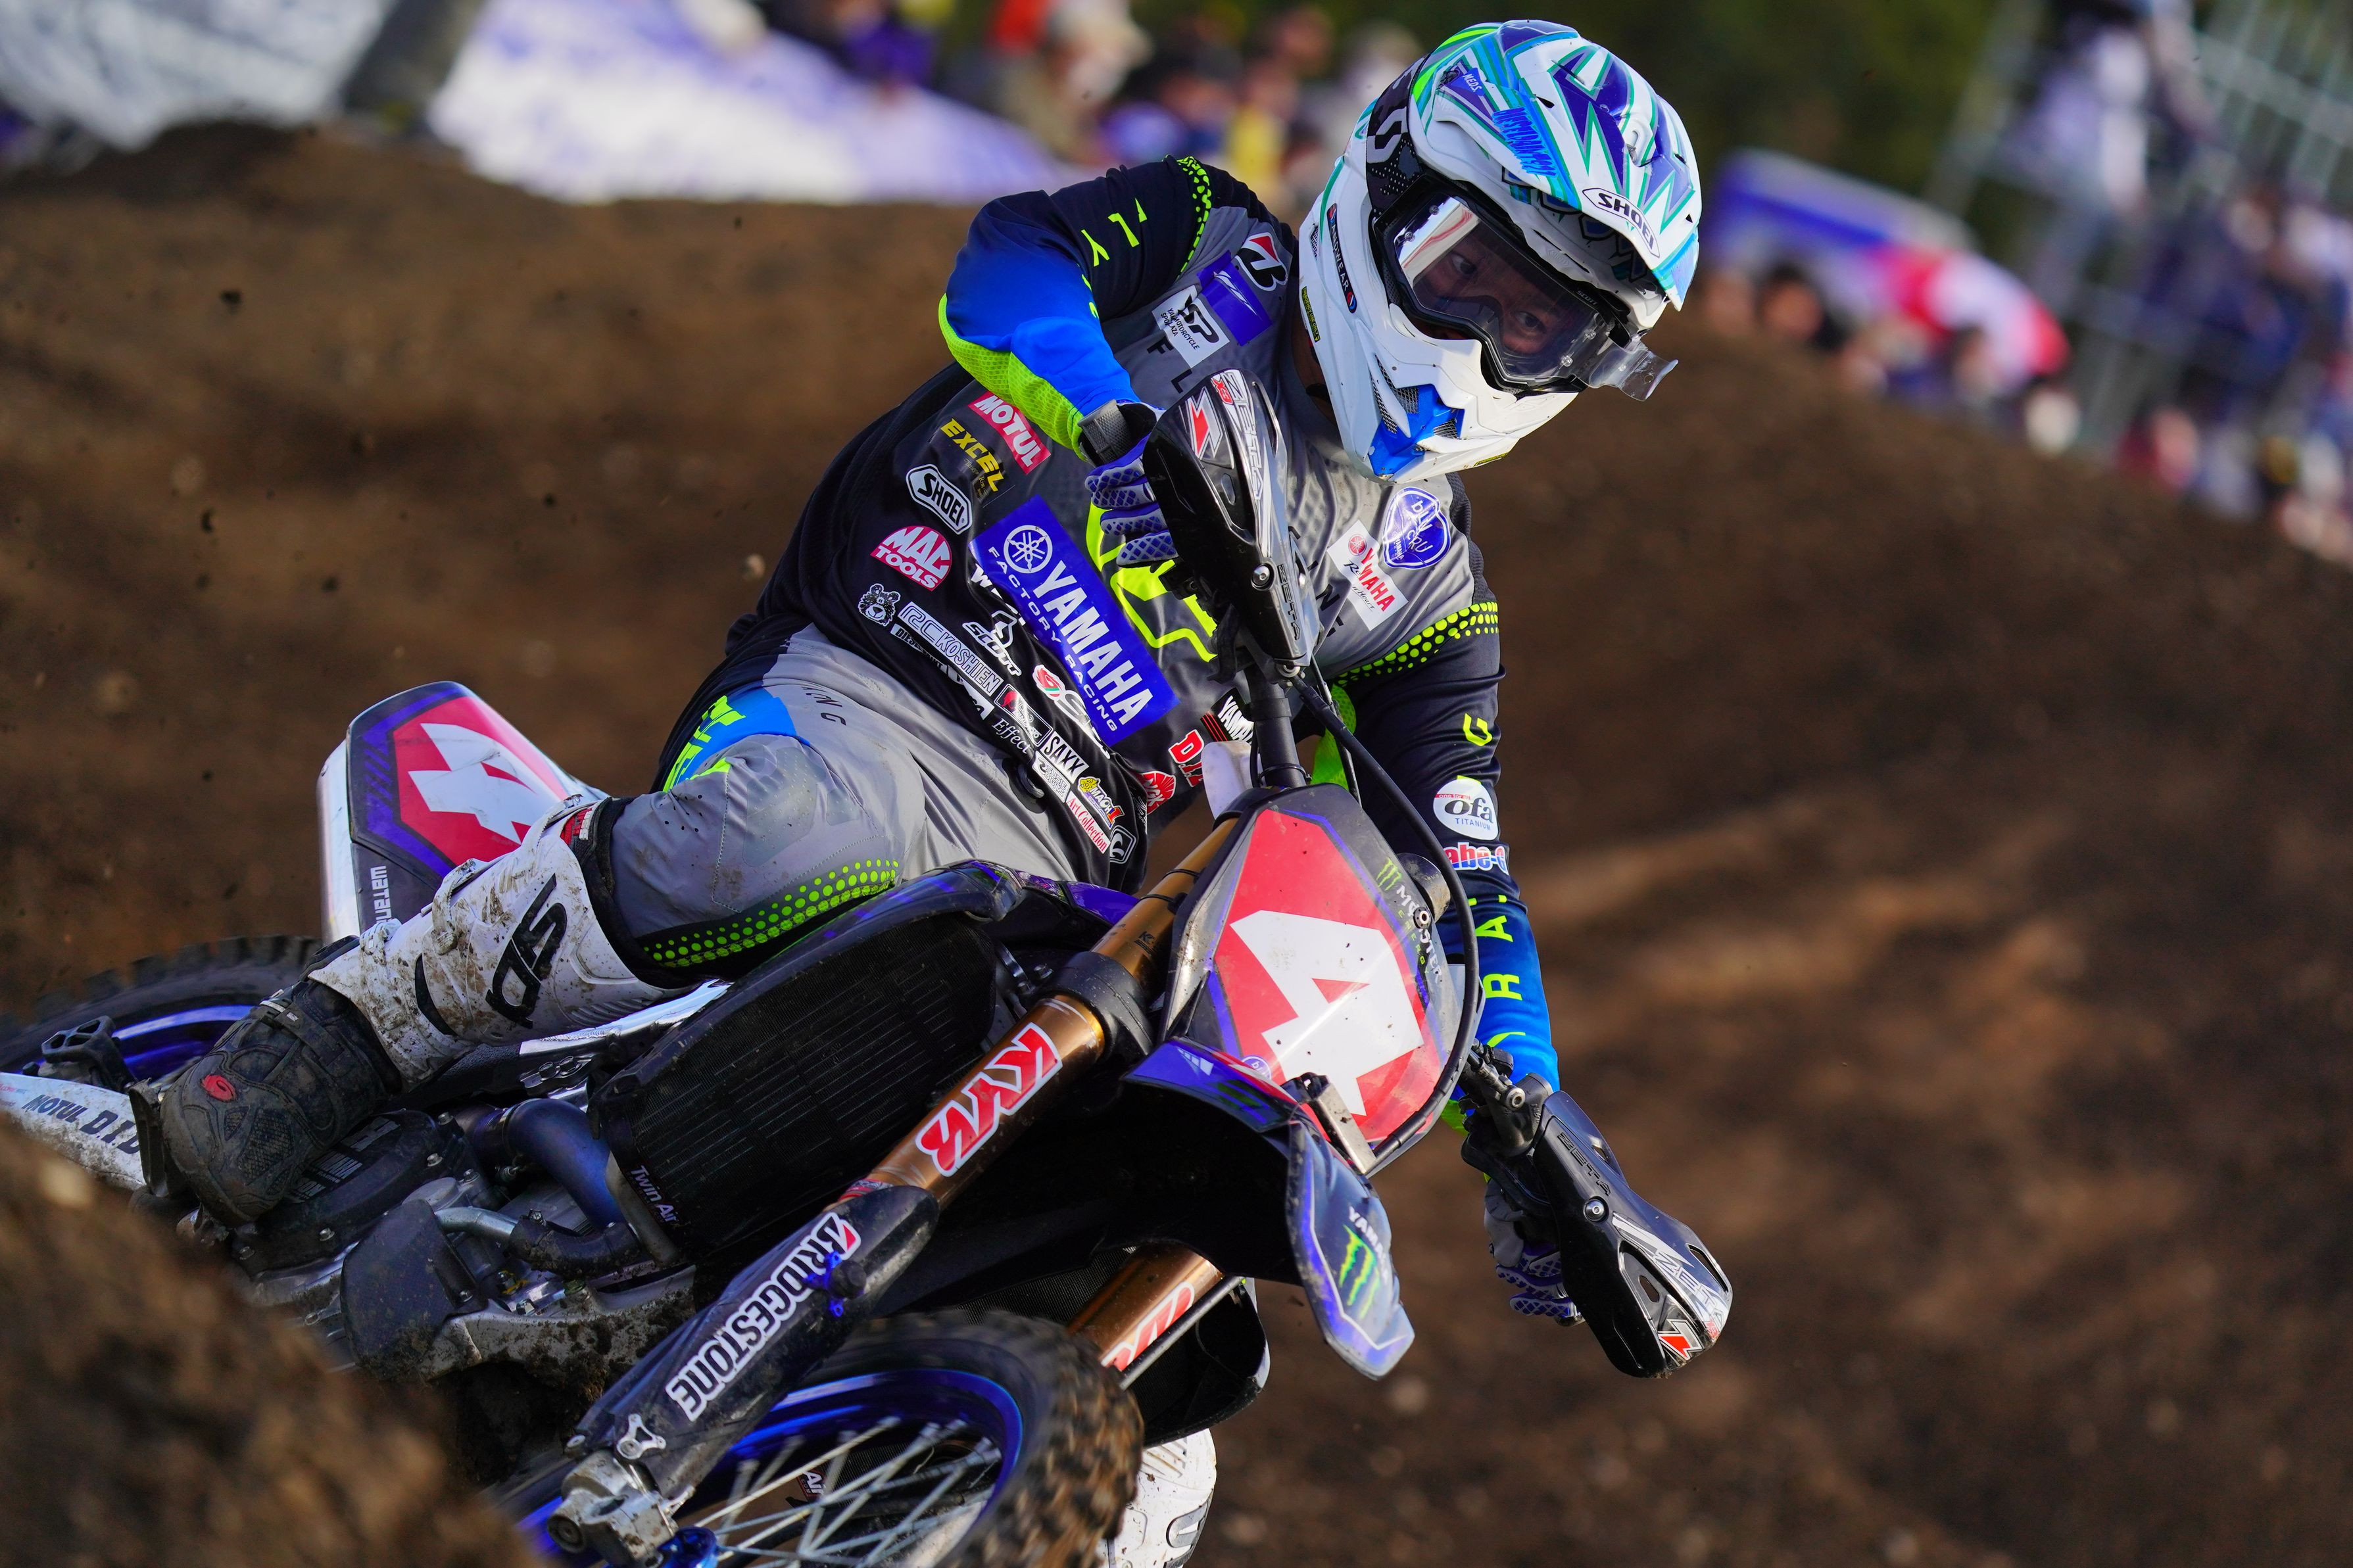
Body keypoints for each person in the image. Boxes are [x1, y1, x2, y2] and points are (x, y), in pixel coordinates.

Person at [160, 17, 1701, 1552]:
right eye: (1471, 272)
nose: (1486, 341)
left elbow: (1458, 870)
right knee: (788, 834)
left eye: (1542, 328)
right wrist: (1118, 423)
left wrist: (1541, 1122)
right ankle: (331, 1039)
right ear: (1384, 184)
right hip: (876, 676)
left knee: (1162, 1434)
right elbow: (1007, 267)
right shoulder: (1206, 242)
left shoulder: (1427, 598)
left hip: (1056, 866)